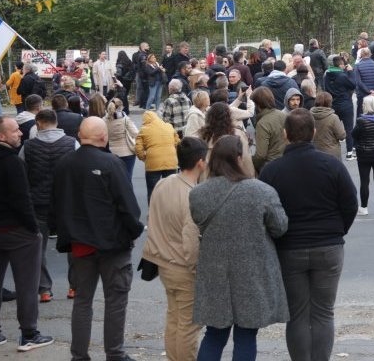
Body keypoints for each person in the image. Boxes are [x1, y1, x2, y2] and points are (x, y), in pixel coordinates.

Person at [259, 109, 358, 361]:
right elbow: (350, 203)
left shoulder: (272, 171)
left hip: (289, 248)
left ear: (285, 134)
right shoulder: (332, 165)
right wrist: (338, 230)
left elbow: (264, 212)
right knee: (324, 312)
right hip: (328, 245)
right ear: (313, 132)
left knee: (297, 314)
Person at [52, 117, 144, 361]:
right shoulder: (111, 163)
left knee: (82, 301)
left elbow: (57, 203)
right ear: (104, 137)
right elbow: (128, 206)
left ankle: (79, 355)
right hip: (112, 243)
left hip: (80, 244)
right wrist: (134, 231)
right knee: (115, 300)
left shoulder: (64, 163)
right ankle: (115, 353)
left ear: (80, 135)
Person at [190, 136, 288, 361]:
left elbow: (199, 221)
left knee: (214, 334)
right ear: (239, 158)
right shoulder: (262, 191)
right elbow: (280, 227)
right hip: (252, 271)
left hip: (215, 272)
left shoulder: (198, 194)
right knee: (246, 335)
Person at [0, 116, 54, 351]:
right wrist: (33, 228)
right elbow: (22, 199)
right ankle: (29, 333)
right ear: (1, 136)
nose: (21, 133)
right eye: (15, 131)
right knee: (27, 283)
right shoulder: (12, 162)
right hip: (17, 229)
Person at [142, 137, 206, 361]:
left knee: (174, 318)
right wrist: (196, 268)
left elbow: (152, 217)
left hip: (162, 262)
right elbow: (191, 240)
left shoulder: (163, 183)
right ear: (200, 162)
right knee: (188, 324)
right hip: (183, 266)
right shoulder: (192, 195)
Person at [21, 109, 77, 303]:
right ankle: (75, 286)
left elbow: (21, 174)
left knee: (38, 248)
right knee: (73, 245)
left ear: (38, 123)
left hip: (38, 202)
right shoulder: (72, 143)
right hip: (66, 201)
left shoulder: (28, 147)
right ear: (56, 122)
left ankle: (44, 289)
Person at [136, 110, 180, 203]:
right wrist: (173, 153)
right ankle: (170, 209)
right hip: (171, 162)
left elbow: (138, 149)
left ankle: (153, 210)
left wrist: (144, 158)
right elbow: (177, 142)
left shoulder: (144, 130)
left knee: (153, 191)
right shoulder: (169, 126)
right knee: (170, 190)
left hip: (153, 164)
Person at [351, 96, 374, 216]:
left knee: (364, 181)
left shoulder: (361, 121)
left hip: (363, 154)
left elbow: (354, 134)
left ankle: (364, 207)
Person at [252, 87, 287, 173]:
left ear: (257, 104)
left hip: (270, 167)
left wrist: (251, 162)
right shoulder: (283, 115)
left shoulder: (262, 124)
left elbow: (260, 155)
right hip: (286, 162)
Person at [309, 92, 347, 159]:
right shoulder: (333, 118)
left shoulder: (309, 116)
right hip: (331, 153)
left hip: (315, 151)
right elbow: (341, 136)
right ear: (329, 102)